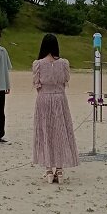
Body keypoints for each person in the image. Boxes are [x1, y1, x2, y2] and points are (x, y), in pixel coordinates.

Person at [31, 33, 78, 184]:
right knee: (60, 132)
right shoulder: (64, 63)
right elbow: (65, 82)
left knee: (45, 131)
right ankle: (59, 169)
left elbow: (37, 85)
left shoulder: (38, 64)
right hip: (59, 98)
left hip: (44, 98)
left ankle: (48, 169)